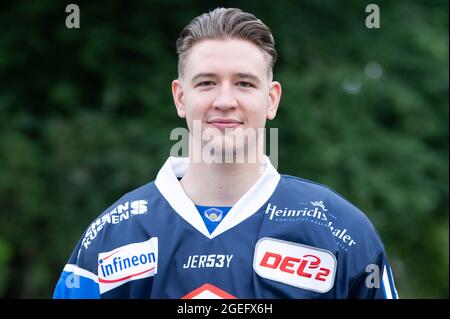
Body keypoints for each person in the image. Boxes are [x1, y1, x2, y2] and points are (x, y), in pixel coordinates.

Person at [53, 7, 399, 299]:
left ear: (272, 99)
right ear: (180, 97)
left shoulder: (341, 231)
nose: (224, 101)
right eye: (206, 83)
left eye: (245, 83)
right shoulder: (114, 235)